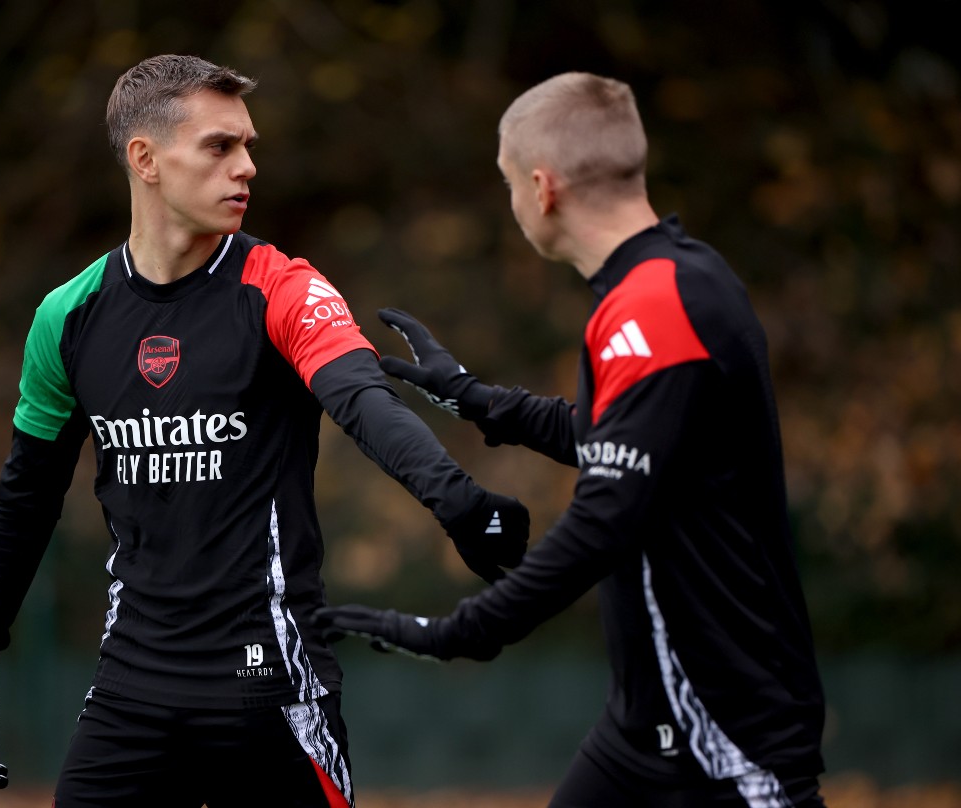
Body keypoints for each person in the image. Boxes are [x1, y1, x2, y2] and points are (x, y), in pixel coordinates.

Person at [0, 54, 529, 807]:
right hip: (131, 691)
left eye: (249, 146)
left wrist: (454, 500)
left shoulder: (282, 286)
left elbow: (360, 396)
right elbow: (24, 501)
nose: (247, 167)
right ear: (145, 160)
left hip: (272, 692)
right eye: (220, 147)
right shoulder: (68, 317)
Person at [314, 72, 828, 807]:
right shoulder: (679, 281)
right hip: (642, 729)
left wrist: (457, 632)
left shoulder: (654, 309)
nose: (513, 201)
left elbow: (604, 520)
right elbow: (622, 439)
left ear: (543, 186)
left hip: (721, 725)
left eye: (507, 183)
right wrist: (473, 397)